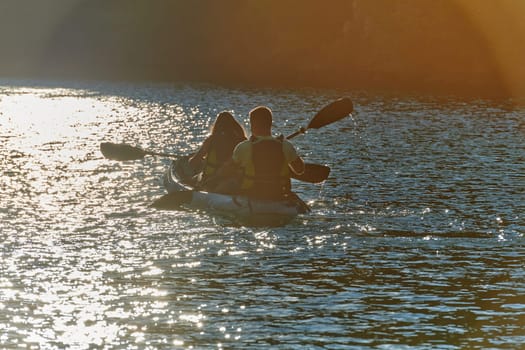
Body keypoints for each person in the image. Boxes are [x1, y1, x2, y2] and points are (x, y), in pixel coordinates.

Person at [224, 106, 305, 199]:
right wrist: (283, 162)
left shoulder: (243, 147)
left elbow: (227, 171)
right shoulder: (285, 145)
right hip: (279, 195)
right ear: (270, 123)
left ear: (252, 124)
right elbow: (300, 170)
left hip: (251, 195)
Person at [187, 111, 247, 188]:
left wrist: (194, 160)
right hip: (238, 180)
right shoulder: (243, 141)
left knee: (193, 178)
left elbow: (193, 162)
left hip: (212, 180)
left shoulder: (212, 140)